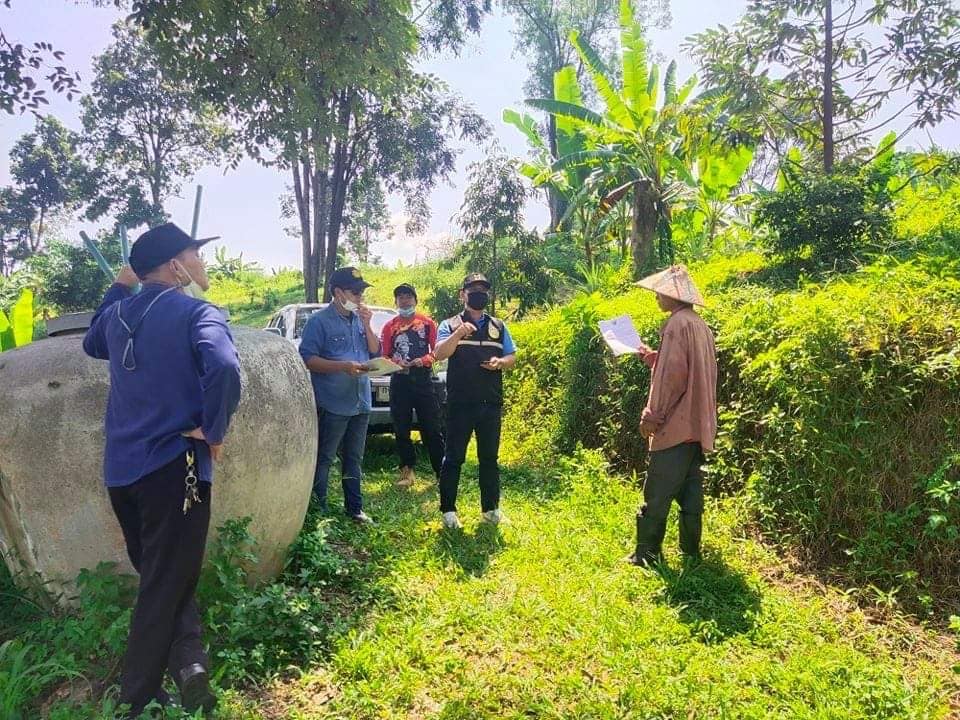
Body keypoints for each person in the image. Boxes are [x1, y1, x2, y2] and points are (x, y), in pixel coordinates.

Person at [82, 223, 242, 718]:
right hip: (176, 469)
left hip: (122, 474)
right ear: (175, 265)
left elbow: (91, 343)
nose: (202, 263)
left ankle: (190, 664)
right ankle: (137, 695)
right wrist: (213, 430)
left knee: (165, 573)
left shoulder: (116, 318)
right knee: (164, 581)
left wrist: (119, 284)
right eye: (196, 254)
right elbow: (225, 367)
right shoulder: (199, 312)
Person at [629, 265, 717, 566]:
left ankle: (647, 554)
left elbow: (672, 380)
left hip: (676, 426)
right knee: (691, 492)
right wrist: (654, 358)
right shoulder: (698, 324)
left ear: (672, 295)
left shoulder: (675, 325)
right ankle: (691, 553)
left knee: (657, 491)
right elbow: (687, 370)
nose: (655, 296)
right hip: (697, 425)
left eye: (659, 292)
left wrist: (652, 416)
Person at [432, 273, 517, 529]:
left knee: (489, 459)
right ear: (463, 294)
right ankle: (448, 511)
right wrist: (458, 334)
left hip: (490, 404)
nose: (478, 293)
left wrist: (501, 362)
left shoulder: (498, 326)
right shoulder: (449, 324)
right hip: (460, 404)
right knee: (453, 457)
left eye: (483, 289)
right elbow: (438, 354)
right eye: (473, 289)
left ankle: (490, 509)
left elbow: (512, 356)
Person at [299, 267, 380, 524]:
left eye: (362, 292)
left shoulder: (360, 319)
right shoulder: (319, 321)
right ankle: (318, 511)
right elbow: (307, 359)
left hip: (360, 400)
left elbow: (375, 349)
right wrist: (342, 367)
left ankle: (354, 508)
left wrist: (368, 325)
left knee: (354, 457)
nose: (360, 297)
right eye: (355, 292)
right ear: (337, 292)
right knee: (324, 457)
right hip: (333, 402)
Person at [380, 283, 445, 488]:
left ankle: (441, 472)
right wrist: (396, 363)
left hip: (423, 380)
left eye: (408, 296)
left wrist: (424, 360)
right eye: (400, 297)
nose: (404, 300)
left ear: (415, 300)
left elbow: (437, 352)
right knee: (401, 428)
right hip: (400, 380)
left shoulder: (427, 323)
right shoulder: (389, 326)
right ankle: (407, 471)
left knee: (432, 428)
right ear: (396, 302)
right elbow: (385, 354)